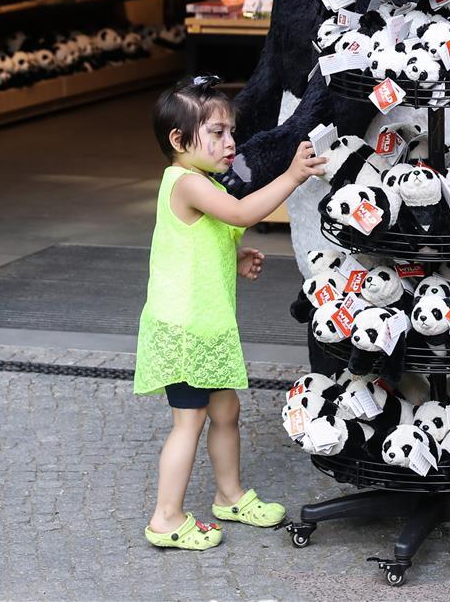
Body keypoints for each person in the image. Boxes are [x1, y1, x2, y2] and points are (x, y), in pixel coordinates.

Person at [134, 74, 326, 551]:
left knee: (226, 411)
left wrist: (233, 256)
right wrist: (291, 176)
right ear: (178, 140)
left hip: (208, 328)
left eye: (231, 131)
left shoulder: (200, 183)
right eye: (216, 133)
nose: (230, 142)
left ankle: (230, 495)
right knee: (189, 421)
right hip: (185, 330)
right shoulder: (186, 182)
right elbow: (240, 214)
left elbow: (200, 239)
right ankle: (166, 517)